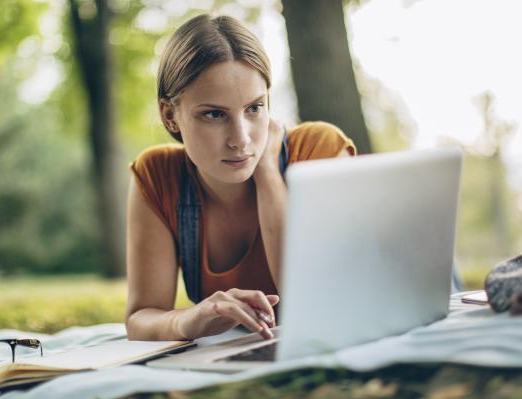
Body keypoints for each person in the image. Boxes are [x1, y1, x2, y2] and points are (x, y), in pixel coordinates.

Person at [125, 14, 356, 342]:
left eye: (254, 108)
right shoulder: (159, 175)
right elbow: (140, 318)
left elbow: (313, 302)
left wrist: (267, 173)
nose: (241, 139)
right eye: (214, 114)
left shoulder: (318, 150)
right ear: (169, 115)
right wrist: (190, 320)